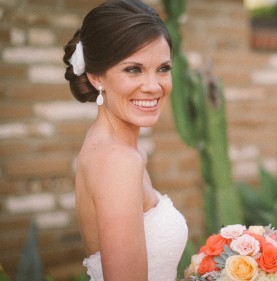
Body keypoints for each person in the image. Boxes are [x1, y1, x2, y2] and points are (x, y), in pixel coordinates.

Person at [62, 1, 188, 280]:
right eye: (133, 69)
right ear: (96, 76)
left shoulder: (116, 148)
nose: (154, 86)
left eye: (163, 68)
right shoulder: (117, 161)